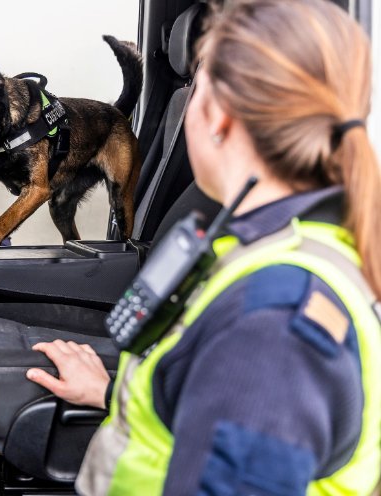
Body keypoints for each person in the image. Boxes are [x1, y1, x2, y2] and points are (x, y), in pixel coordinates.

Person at [25, 0, 381, 494]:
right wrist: (112, 393)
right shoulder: (269, 247)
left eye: (196, 87)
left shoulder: (275, 322)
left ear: (216, 115)